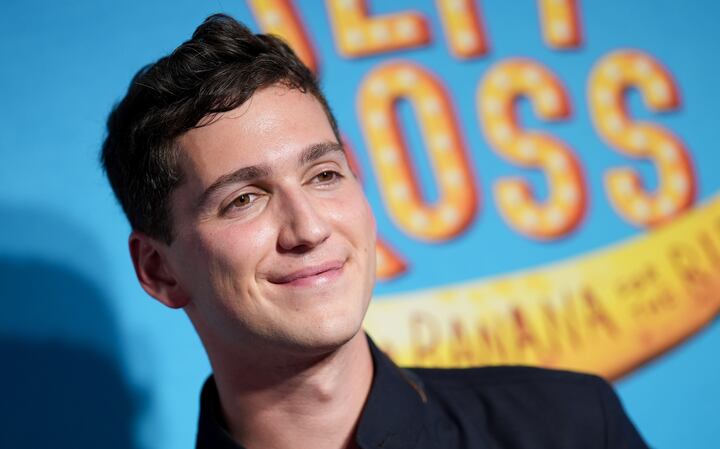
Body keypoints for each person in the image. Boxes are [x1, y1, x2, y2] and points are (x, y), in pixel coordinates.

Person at [101, 13, 648, 449]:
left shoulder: (569, 427)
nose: (309, 228)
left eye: (324, 175)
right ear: (159, 270)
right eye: (244, 199)